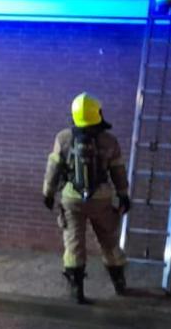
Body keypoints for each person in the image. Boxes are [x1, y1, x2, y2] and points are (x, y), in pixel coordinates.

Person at [43, 92, 130, 302]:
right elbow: (118, 171)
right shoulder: (109, 140)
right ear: (97, 114)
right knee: (109, 242)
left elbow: (53, 168)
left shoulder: (63, 138)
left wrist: (47, 192)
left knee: (73, 244)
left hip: (71, 200)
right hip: (102, 200)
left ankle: (77, 291)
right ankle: (119, 284)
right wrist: (123, 195)